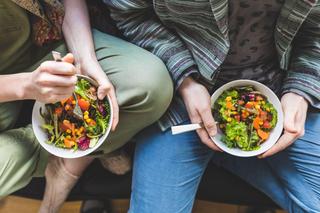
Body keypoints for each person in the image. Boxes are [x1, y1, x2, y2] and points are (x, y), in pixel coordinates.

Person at [104, 0, 320, 212]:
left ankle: (228, 154)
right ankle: (230, 154)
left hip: (276, 92)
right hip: (181, 96)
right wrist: (186, 82)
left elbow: (315, 27)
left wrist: (301, 90)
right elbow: (130, 14)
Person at [0, 0, 173, 212]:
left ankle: (64, 163)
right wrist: (23, 86)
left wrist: (85, 59)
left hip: (48, 38)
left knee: (151, 85)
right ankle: (59, 156)